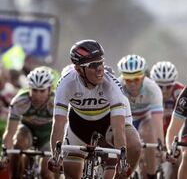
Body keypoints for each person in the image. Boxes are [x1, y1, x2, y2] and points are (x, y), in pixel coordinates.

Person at [48, 40, 140, 179]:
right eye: (93, 65)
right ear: (79, 69)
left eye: (101, 62)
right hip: (78, 126)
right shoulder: (66, 84)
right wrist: (55, 155)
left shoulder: (111, 85)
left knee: (134, 145)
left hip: (107, 124)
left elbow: (118, 127)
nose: (100, 69)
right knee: (71, 174)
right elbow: (59, 124)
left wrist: (122, 160)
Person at [2, 67, 57, 179]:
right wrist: (5, 154)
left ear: (49, 89)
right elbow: (10, 133)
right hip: (27, 130)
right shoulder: (20, 101)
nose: (37, 95)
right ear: (29, 89)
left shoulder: (56, 102)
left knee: (46, 173)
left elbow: (62, 127)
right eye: (34, 90)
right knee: (19, 142)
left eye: (42, 91)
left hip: (48, 135)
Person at [118, 54, 164, 179]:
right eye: (128, 80)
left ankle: (151, 174)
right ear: (123, 78)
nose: (132, 84)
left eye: (136, 79)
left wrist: (162, 147)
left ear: (143, 76)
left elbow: (157, 123)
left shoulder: (153, 89)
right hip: (125, 119)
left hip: (144, 119)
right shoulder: (117, 87)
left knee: (150, 130)